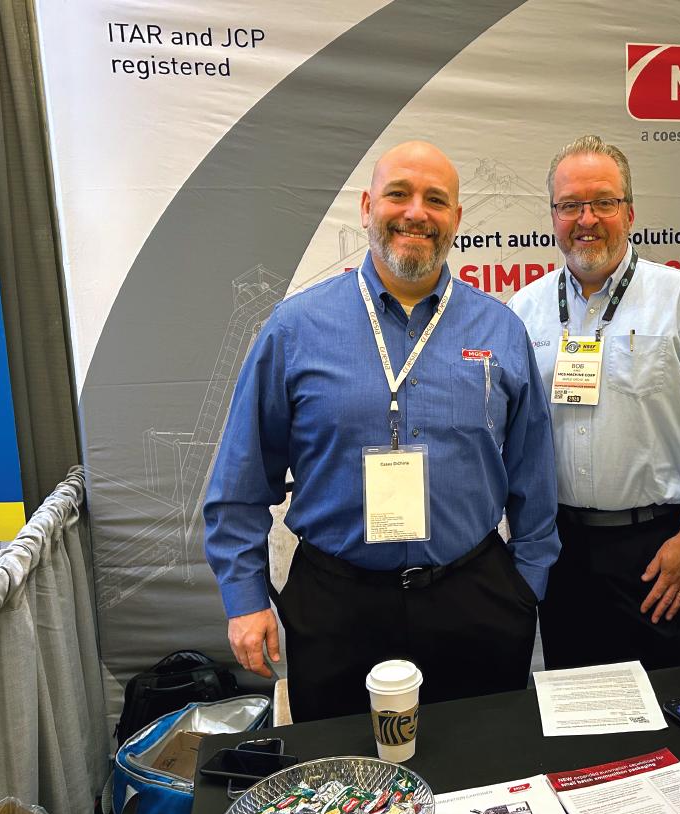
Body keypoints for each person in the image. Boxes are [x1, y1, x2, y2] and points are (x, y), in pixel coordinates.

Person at [204, 140, 559, 721]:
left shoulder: (500, 329)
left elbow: (534, 472)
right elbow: (241, 480)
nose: (416, 212)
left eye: (435, 200)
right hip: (337, 608)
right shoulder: (295, 328)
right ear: (368, 207)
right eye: (398, 194)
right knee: (342, 770)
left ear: (456, 218)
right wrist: (244, 597)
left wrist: (526, 587)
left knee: (484, 764)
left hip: (474, 601)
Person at [507, 135, 680, 671]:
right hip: (559, 550)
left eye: (603, 202)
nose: (586, 219)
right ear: (553, 216)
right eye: (570, 205)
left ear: (629, 212)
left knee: (661, 703)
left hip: (658, 552)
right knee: (572, 702)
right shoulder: (523, 311)